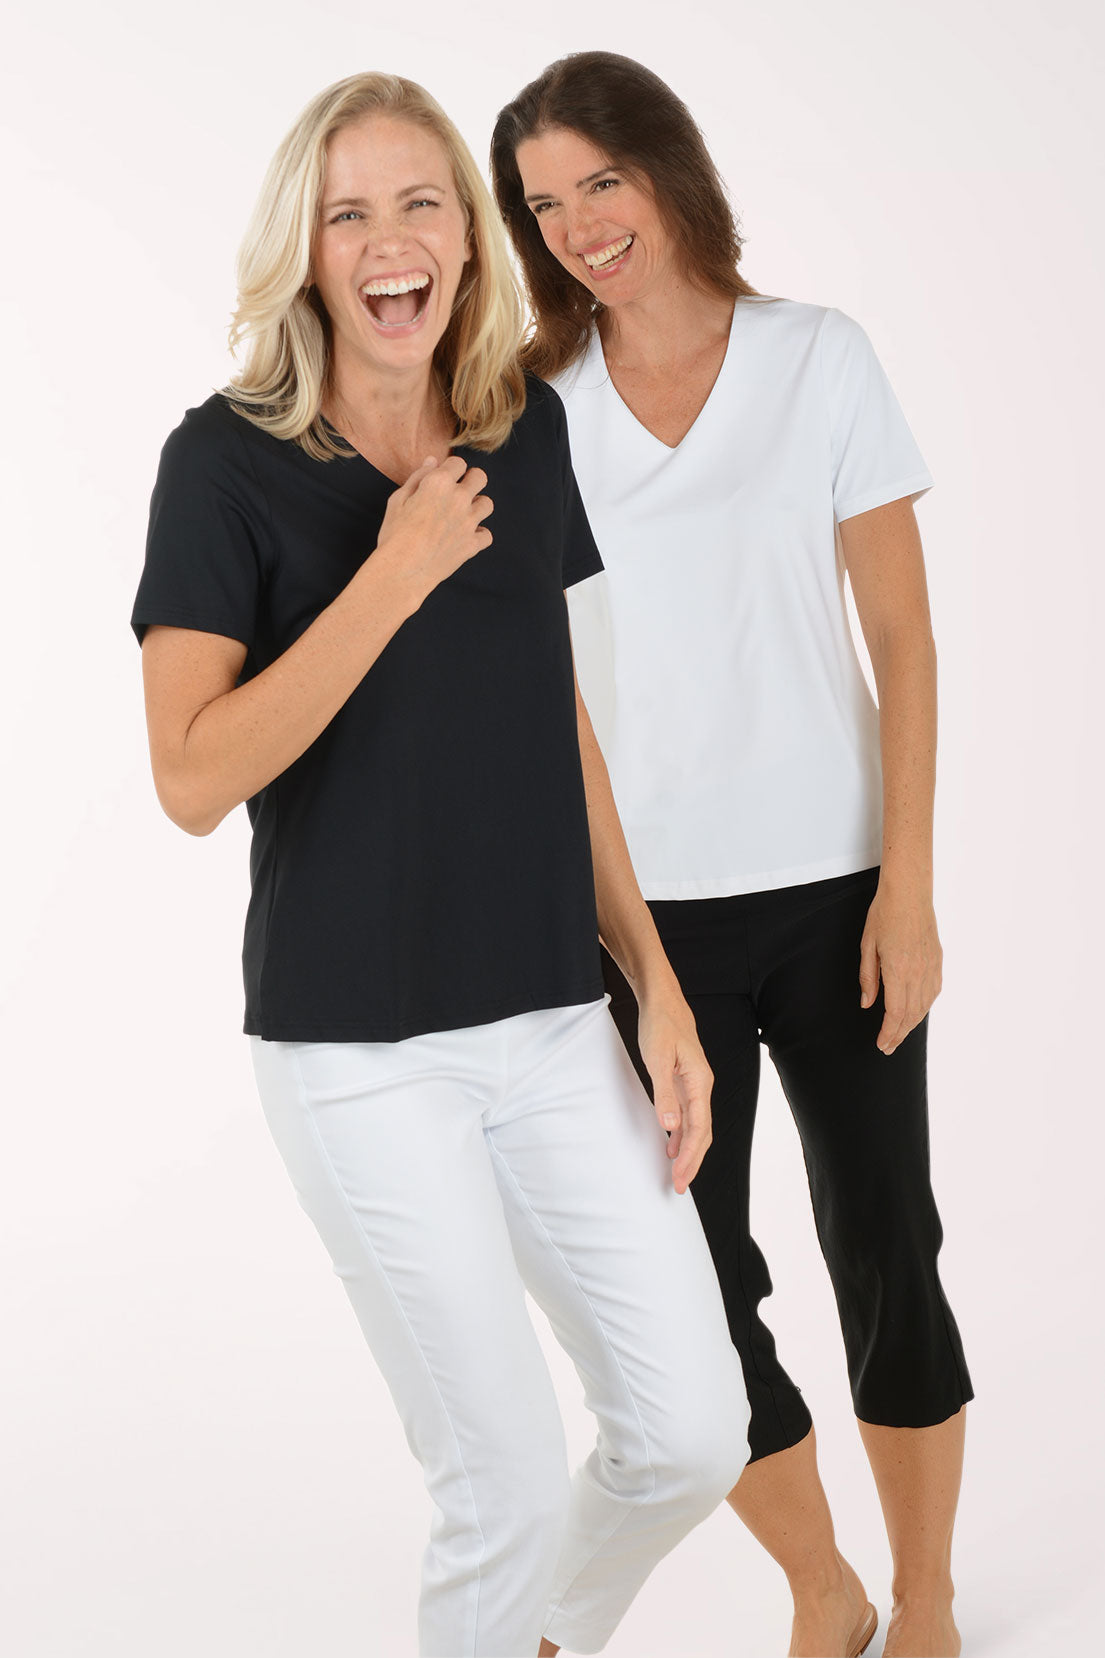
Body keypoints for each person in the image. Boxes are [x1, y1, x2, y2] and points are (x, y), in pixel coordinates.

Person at [131, 71, 751, 1658]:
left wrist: (652, 983)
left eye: (422, 205)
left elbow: (562, 721)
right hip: (359, 1052)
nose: (391, 241)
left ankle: (536, 1638)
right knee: (503, 1485)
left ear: (469, 245)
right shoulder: (222, 463)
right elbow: (191, 776)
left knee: (692, 1429)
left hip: (549, 1020)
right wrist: (392, 572)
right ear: (306, 251)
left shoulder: (520, 426)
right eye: (350, 213)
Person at [492, 50, 973, 1658]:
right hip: (646, 925)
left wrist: (906, 883)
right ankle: (816, 1584)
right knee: (698, 1285)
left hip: (840, 891)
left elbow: (899, 638)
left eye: (597, 185)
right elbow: (549, 709)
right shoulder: (538, 419)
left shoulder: (817, 358)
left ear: (665, 171)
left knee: (886, 1242)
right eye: (543, 205)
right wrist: (626, 953)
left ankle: (922, 1594)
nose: (576, 227)